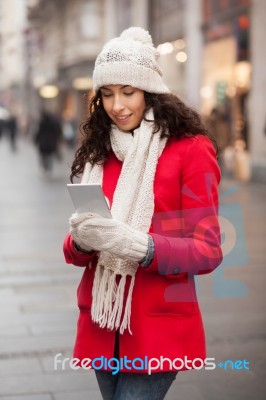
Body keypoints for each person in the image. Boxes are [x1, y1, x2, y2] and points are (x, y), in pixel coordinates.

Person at [63, 27, 223, 400]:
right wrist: (81, 241)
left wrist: (142, 246)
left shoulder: (191, 150)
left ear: (150, 90)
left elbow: (208, 250)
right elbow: (73, 251)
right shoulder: (100, 153)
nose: (116, 105)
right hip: (102, 325)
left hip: (157, 329)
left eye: (127, 92)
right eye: (106, 93)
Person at [34, 110, 62, 174]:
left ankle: (44, 167)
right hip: (50, 142)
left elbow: (39, 132)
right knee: (49, 156)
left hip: (43, 142)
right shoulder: (52, 123)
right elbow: (56, 132)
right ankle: (49, 168)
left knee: (43, 156)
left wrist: (36, 140)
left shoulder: (42, 123)